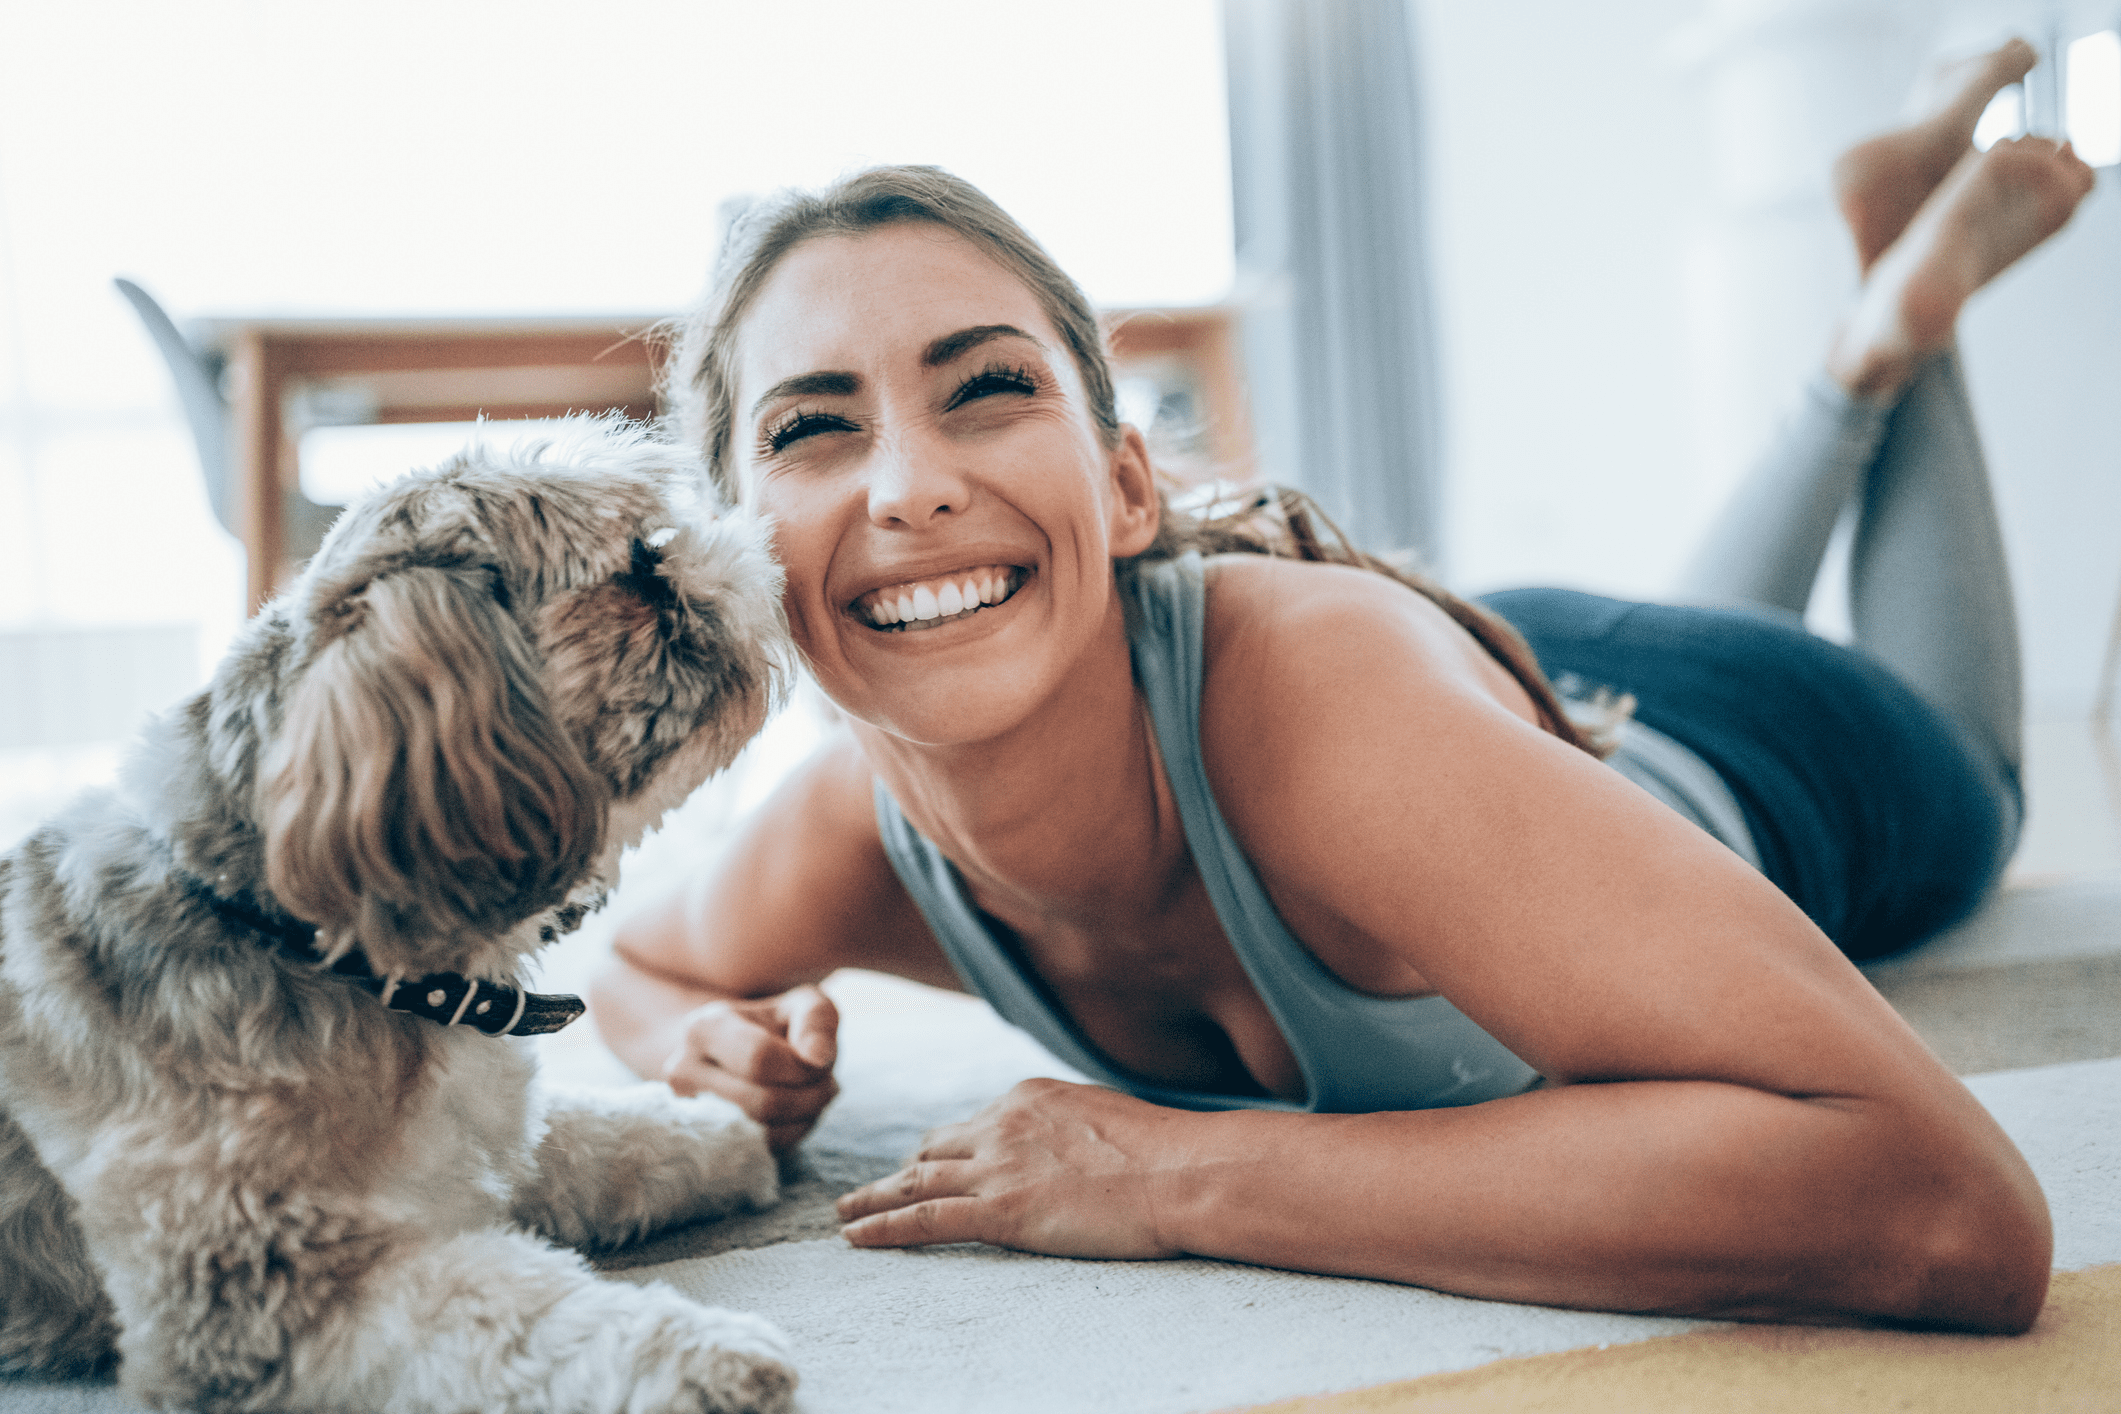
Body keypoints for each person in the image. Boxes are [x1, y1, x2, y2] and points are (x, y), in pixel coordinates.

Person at [593, 39, 2095, 1333]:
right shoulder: (851, 832)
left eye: (988, 388)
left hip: (1766, 749)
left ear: (1127, 489)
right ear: (735, 556)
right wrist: (703, 1056)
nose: (909, 486)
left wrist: (1177, 1174)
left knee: (1984, 778)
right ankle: (1860, 337)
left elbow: (1949, 1205)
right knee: (1660, 651)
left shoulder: (1321, 707)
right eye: (812, 429)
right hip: (1519, 671)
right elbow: (640, 970)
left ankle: (1897, 326)